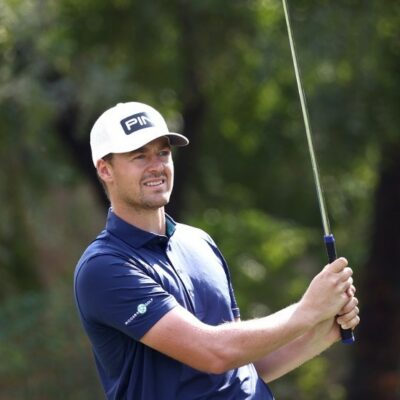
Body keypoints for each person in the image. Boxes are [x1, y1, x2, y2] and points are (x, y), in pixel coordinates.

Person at [74, 101, 360, 400]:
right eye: (139, 156)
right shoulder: (103, 267)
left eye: (163, 152)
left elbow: (240, 365)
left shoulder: (198, 242)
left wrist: (322, 331)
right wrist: (308, 310)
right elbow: (213, 352)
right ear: (105, 169)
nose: (157, 165)